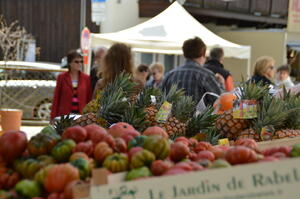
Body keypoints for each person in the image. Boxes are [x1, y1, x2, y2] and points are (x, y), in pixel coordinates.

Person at [160, 37, 223, 105]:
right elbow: (220, 101)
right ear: (203, 54)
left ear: (184, 54)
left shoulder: (170, 75)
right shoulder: (206, 75)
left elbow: (161, 101)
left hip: (171, 115)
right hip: (197, 115)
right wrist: (221, 84)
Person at [51, 50, 92, 120]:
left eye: (81, 62)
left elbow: (89, 99)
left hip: (81, 115)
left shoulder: (86, 78)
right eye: (76, 62)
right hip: (65, 114)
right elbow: (56, 98)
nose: (79, 64)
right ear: (70, 63)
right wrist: (52, 117)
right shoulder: (61, 77)